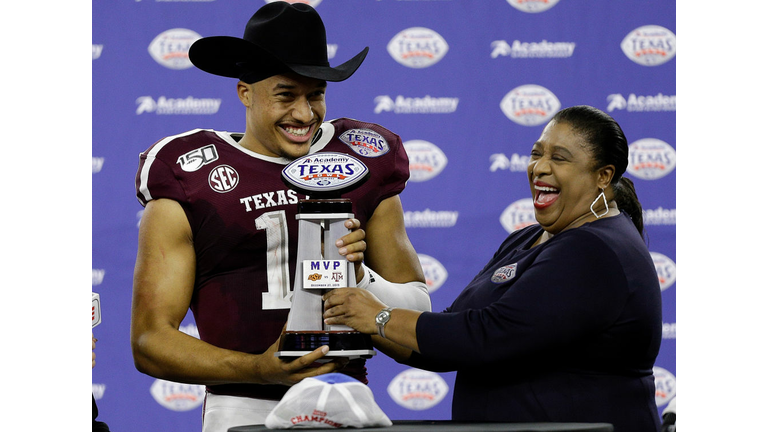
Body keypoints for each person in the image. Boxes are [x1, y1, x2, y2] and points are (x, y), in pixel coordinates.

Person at [130, 3, 430, 431]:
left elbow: (417, 321)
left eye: (316, 94)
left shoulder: (362, 156)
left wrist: (362, 279)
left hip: (345, 400)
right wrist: (259, 368)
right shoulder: (189, 170)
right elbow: (149, 342)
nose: (305, 114)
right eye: (287, 95)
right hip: (241, 405)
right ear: (245, 92)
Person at [323, 105, 663, 431]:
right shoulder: (528, 238)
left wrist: (379, 317)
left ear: (603, 176)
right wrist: (360, 307)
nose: (539, 168)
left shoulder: (596, 250)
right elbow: (444, 342)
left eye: (558, 158)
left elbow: (486, 336)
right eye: (536, 153)